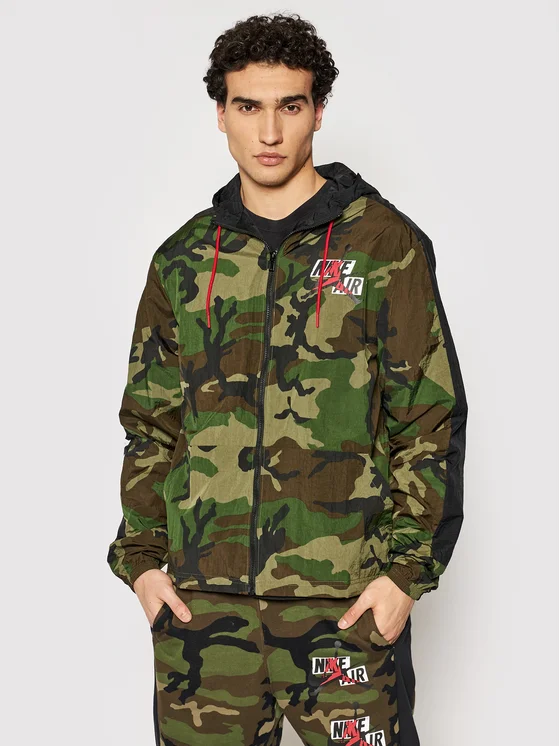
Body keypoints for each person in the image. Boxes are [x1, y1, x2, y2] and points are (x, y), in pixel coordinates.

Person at [107, 12, 468, 746]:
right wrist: (143, 565)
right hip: (202, 615)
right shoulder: (183, 259)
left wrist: (404, 576)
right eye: (248, 106)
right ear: (221, 113)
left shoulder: (382, 245)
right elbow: (151, 423)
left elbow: (429, 418)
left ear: (318, 111)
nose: (269, 131)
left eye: (289, 106)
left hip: (343, 609)